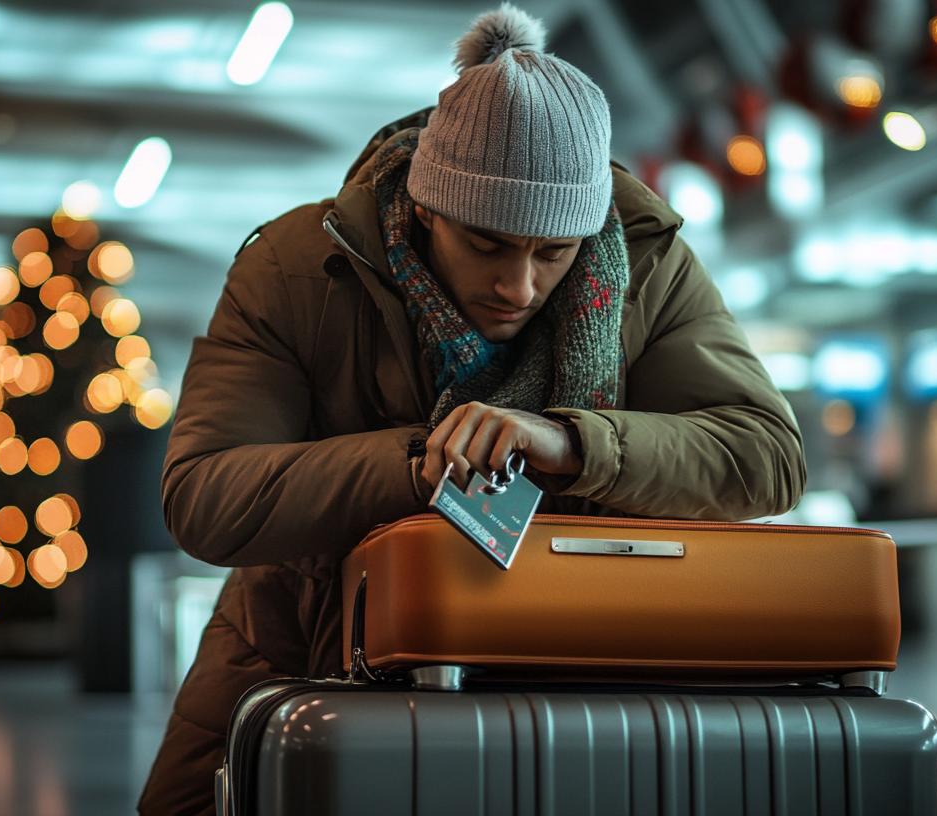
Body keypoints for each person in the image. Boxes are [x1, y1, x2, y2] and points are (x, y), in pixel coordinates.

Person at [139, 6, 805, 813]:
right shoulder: (295, 268)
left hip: (579, 660)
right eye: (487, 245)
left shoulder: (649, 263)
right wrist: (423, 462)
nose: (518, 287)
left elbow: (767, 455)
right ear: (426, 207)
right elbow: (206, 497)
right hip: (311, 652)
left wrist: (571, 441)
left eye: (553, 254)